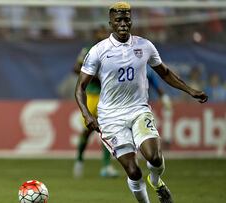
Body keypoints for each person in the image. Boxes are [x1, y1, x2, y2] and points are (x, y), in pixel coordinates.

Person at [74, 2, 208, 203]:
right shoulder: (97, 51)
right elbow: (80, 88)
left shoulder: (144, 46)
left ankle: (156, 180)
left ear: (132, 21)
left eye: (126, 19)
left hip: (138, 111)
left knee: (154, 158)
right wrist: (86, 114)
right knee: (133, 170)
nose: (123, 23)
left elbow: (164, 73)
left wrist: (190, 90)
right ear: (110, 22)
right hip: (111, 118)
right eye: (118, 20)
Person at [73, 25, 119, 178]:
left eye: (106, 32)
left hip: (107, 96)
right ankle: (79, 159)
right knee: (87, 131)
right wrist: (91, 74)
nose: (104, 34)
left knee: (106, 131)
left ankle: (106, 167)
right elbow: (75, 68)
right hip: (92, 95)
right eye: (101, 32)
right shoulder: (88, 50)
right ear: (96, 34)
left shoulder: (113, 50)